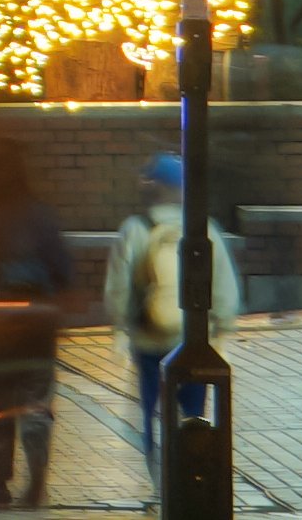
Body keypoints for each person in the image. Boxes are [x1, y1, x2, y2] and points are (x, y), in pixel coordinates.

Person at [103, 154, 232, 459]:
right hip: (191, 339)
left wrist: (121, 326)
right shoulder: (205, 229)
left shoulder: (134, 228)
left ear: (154, 189)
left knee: (149, 411)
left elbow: (118, 286)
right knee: (192, 414)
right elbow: (223, 282)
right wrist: (222, 328)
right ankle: (190, 468)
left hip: (148, 338)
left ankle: (158, 477)